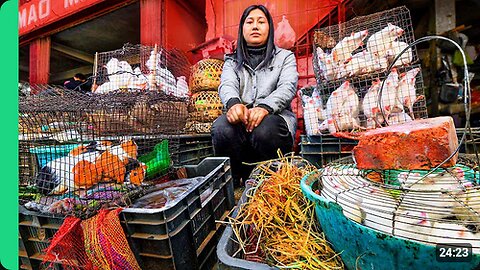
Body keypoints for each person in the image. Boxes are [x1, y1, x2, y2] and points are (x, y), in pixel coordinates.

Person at [211, 4, 298, 186]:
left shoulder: (285, 57)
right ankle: (232, 183)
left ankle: (269, 182)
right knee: (222, 127)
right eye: (249, 22)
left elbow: (288, 87)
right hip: (243, 122)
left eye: (261, 22)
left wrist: (265, 107)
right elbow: (227, 84)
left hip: (275, 117)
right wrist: (234, 104)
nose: (255, 26)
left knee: (266, 128)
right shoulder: (232, 61)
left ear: (270, 28)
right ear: (242, 29)